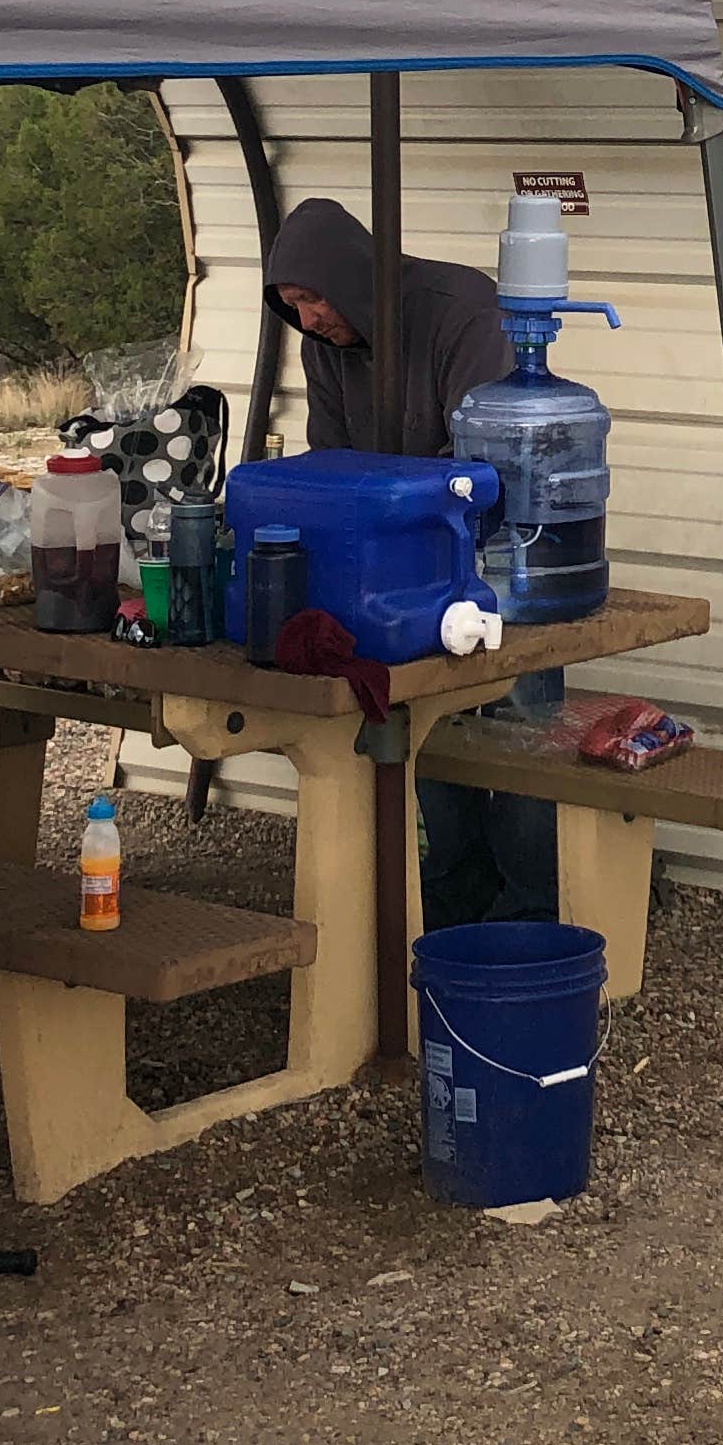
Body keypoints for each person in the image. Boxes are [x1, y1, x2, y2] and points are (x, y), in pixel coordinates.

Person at [261, 197, 556, 929]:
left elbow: (488, 458)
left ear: (349, 278)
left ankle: (532, 905)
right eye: (290, 305)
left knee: (518, 719)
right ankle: (455, 891)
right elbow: (330, 461)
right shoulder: (321, 346)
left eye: (313, 298)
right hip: (401, 558)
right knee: (422, 715)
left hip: (501, 545)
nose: (306, 319)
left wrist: (384, 498)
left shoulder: (463, 310)